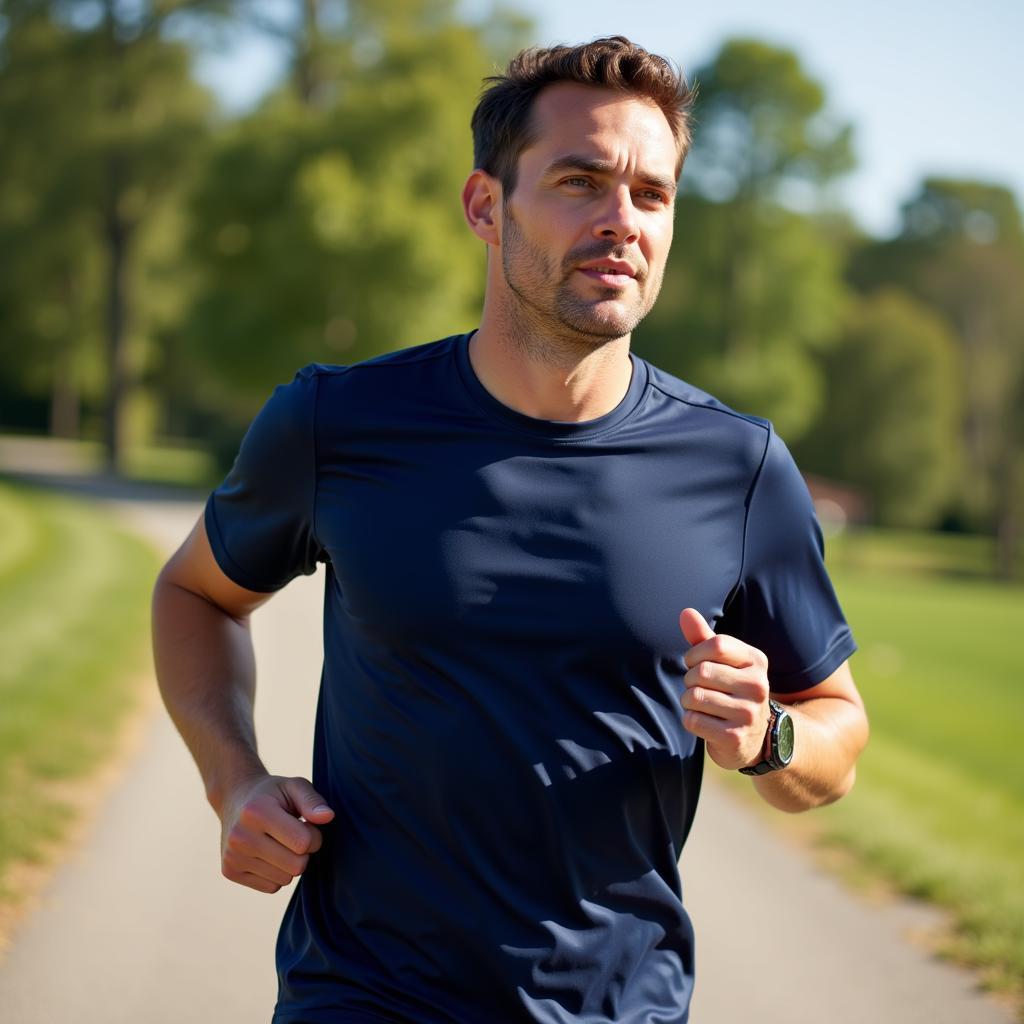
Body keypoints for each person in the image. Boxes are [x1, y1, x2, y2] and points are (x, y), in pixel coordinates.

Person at [153, 35, 868, 1024]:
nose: (622, 221)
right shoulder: (337, 423)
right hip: (363, 994)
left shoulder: (738, 467)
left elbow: (835, 730)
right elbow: (194, 592)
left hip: (618, 1005)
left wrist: (768, 734)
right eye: (581, 181)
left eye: (651, 194)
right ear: (485, 206)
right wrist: (232, 783)